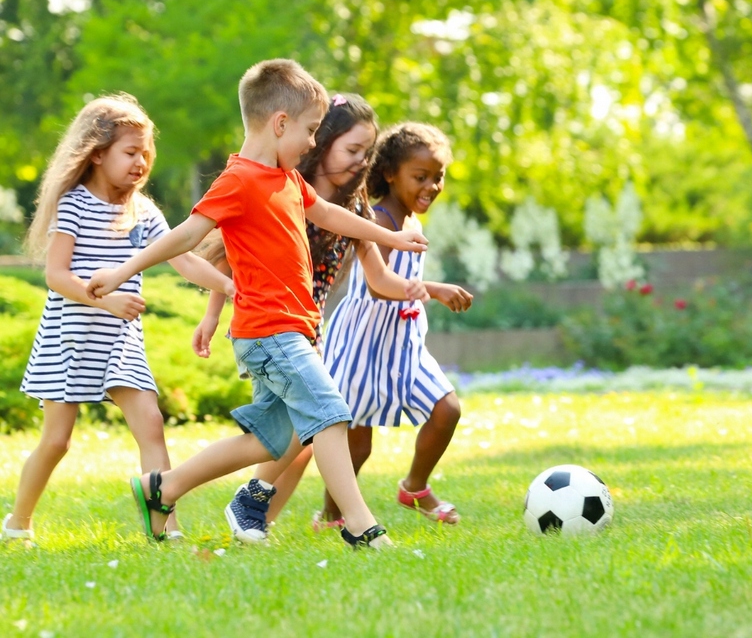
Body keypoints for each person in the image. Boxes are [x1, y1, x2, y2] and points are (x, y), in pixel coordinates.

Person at [86, 59, 429, 550]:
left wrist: (385, 234)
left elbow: (329, 213)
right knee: (330, 413)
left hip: (292, 329)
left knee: (269, 442)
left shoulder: (286, 179)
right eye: (310, 131)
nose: (313, 142)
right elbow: (185, 235)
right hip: (269, 332)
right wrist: (122, 272)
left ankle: (164, 487)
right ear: (280, 123)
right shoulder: (240, 180)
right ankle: (360, 524)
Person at [192, 92, 430, 543]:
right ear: (323, 143)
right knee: (316, 424)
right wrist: (211, 314)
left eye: (368, 153)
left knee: (291, 436)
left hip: (305, 324)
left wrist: (424, 286)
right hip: (269, 323)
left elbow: (379, 278)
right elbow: (230, 256)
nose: (362, 162)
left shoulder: (354, 208)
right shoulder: (280, 186)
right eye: (353, 150)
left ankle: (237, 510)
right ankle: (317, 520)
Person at [1, 94, 233, 543]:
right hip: (69, 337)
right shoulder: (74, 204)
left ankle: (166, 528)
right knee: (57, 442)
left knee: (150, 423)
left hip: (119, 342)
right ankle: (17, 522)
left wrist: (226, 286)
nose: (141, 162)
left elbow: (182, 258)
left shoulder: (142, 211)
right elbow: (56, 276)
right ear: (97, 153)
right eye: (130, 152)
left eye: (146, 153)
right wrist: (105, 301)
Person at [321, 121, 473, 526]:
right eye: (420, 177)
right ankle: (332, 514)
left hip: (402, 343)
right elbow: (376, 287)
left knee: (447, 409)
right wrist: (434, 288)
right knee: (357, 443)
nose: (431, 186)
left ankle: (414, 487)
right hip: (361, 341)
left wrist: (426, 293)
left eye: (437, 177)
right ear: (390, 173)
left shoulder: (411, 223)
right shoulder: (381, 220)